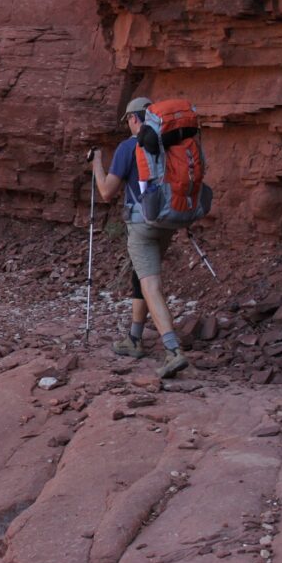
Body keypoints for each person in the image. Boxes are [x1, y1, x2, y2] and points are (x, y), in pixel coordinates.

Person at [90, 97, 189, 379]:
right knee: (140, 273)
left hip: (141, 225)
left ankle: (173, 350)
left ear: (134, 119)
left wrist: (97, 163)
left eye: (129, 120)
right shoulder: (169, 144)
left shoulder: (129, 147)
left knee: (151, 284)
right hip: (168, 220)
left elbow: (107, 192)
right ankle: (134, 339)